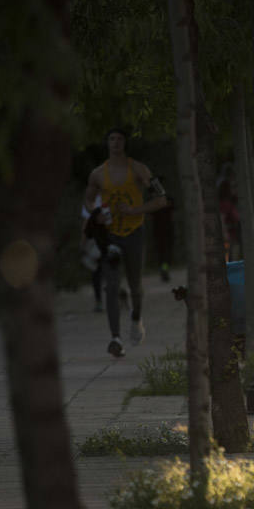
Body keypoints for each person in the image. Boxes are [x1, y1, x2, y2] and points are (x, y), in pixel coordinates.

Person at [82, 127, 168, 358]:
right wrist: (96, 212)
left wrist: (134, 210)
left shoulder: (138, 169)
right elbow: (88, 200)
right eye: (111, 139)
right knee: (111, 285)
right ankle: (115, 338)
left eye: (120, 139)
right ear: (107, 143)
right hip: (110, 235)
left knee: (135, 284)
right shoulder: (98, 174)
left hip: (134, 232)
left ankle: (136, 318)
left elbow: (161, 199)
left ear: (125, 143)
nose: (116, 143)